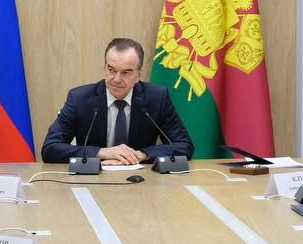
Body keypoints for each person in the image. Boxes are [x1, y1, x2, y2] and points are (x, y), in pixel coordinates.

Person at [41, 37, 193, 164]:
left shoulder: (157, 98)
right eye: (111, 70)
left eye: (126, 73)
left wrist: (140, 155)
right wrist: (102, 153)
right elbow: (50, 148)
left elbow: (184, 146)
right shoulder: (79, 99)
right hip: (93, 179)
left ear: (138, 75)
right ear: (104, 68)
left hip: (141, 181)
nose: (117, 79)